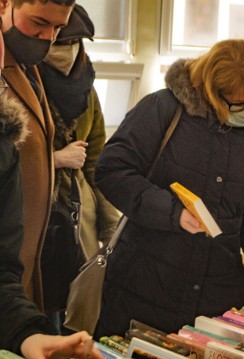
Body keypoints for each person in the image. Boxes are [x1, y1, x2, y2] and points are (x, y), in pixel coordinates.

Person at [93, 39, 244, 336]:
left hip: (217, 301)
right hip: (142, 291)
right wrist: (172, 212)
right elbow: (111, 171)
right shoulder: (162, 109)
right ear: (211, 92)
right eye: (240, 105)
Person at [0, 16, 101, 358]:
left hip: (55, 226)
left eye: (60, 34)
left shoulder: (12, 117)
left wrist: (28, 335)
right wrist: (55, 159)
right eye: (42, 28)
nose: (51, 42)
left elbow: (1, 273)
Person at [37, 4, 120, 332]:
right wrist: (54, 159)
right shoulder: (19, 85)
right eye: (59, 43)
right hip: (35, 216)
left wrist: (109, 226)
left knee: (72, 310)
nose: (66, 51)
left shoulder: (87, 91)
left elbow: (98, 162)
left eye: (74, 43)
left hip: (77, 217)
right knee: (36, 308)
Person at [0, 0, 75, 310]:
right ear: (5, 4)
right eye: (39, 22)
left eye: (57, 28)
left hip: (22, 260)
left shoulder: (27, 64)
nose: (47, 37)